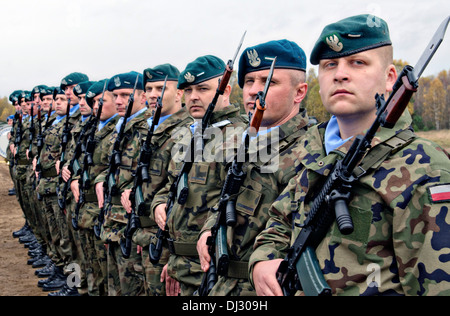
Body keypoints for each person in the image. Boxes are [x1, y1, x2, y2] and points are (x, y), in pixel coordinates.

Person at [249, 14, 450, 296]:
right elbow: (280, 221)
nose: (340, 73)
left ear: (390, 77)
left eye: (358, 63)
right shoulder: (313, 151)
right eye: (330, 64)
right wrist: (263, 261)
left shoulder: (425, 167)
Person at [196, 39, 310, 296]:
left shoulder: (312, 151)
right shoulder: (241, 141)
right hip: (221, 284)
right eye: (249, 81)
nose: (253, 91)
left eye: (268, 82)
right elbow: (225, 196)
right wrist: (208, 229)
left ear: (299, 92)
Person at [151, 55, 249, 296]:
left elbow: (237, 208)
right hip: (179, 265)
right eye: (188, 90)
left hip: (210, 271)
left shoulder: (243, 137)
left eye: (203, 89)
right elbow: (171, 188)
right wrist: (158, 204)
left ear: (226, 90)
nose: (193, 96)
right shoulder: (186, 135)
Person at [120, 64, 193, 296]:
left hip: (164, 238)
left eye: (161, 88)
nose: (153, 95)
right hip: (141, 230)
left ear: (179, 93)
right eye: (149, 89)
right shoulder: (144, 128)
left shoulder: (189, 129)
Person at [95, 71, 148, 296]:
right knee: (115, 287)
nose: (118, 101)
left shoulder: (148, 130)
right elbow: (110, 169)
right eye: (115, 95)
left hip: (132, 224)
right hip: (113, 220)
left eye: (125, 95)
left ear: (142, 96)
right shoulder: (121, 127)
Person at [71, 79, 119, 296]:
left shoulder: (116, 130)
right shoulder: (92, 127)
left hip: (101, 210)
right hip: (85, 206)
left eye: (102, 101)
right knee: (90, 262)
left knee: (106, 274)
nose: (94, 105)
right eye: (94, 102)